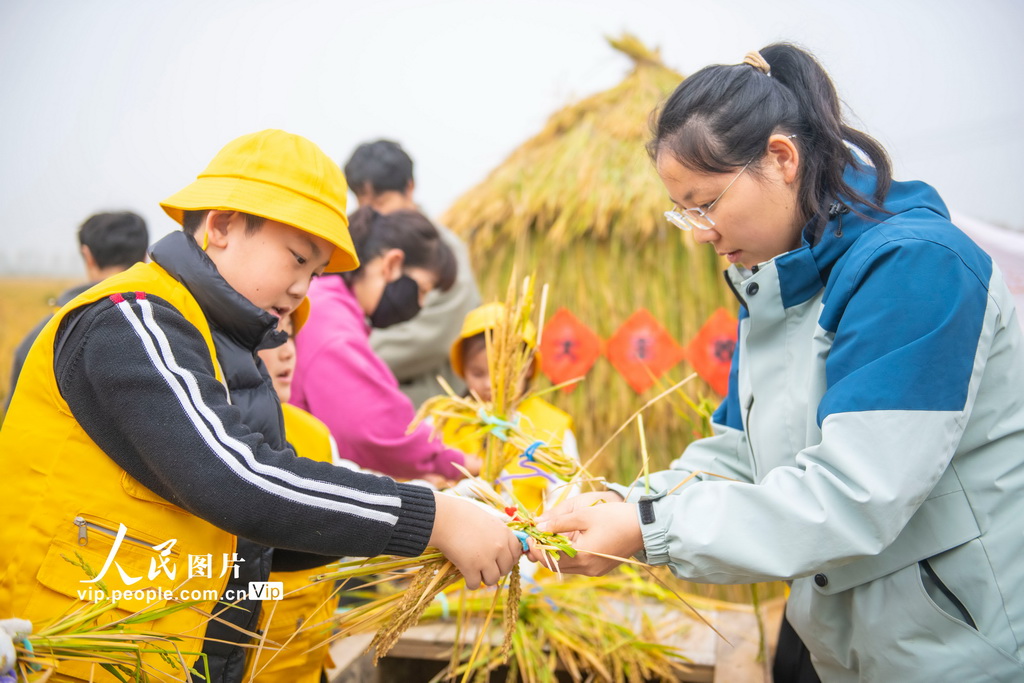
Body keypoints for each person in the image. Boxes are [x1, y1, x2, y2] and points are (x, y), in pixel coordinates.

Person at [527, 45, 1024, 681]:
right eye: (684, 212)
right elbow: (736, 459)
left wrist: (647, 529)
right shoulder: (774, 289)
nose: (700, 231)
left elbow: (854, 494)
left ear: (782, 159)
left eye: (705, 203)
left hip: (954, 651)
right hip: (844, 643)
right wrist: (623, 503)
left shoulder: (916, 269)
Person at [0, 129, 522, 683]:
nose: (302, 289)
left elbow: (258, 541)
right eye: (296, 259)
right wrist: (431, 517)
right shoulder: (132, 321)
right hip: (77, 657)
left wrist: (423, 531)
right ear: (222, 225)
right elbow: (237, 481)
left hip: (170, 655)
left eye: (315, 273)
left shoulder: (232, 349)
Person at [290, 206, 482, 482]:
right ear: (391, 264)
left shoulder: (328, 305)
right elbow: (373, 429)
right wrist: (457, 462)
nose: (421, 304)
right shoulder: (332, 325)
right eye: (423, 289)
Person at [345, 139, 481, 407]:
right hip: (360, 396)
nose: (373, 212)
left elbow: (434, 336)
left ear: (409, 188)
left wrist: (344, 355)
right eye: (363, 203)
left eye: (382, 201)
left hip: (424, 407)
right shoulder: (358, 245)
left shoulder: (442, 252)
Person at [248, 310, 340, 683]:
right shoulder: (213, 442)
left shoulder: (316, 434)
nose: (288, 352)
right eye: (273, 338)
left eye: (291, 337)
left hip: (309, 657)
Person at [5, 210, 148, 412]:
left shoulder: (40, 338)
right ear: (144, 256)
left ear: (87, 254)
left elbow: (16, 418)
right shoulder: (172, 325)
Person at [445, 302, 579, 514]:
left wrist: (544, 531)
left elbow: (567, 492)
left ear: (526, 367)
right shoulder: (443, 420)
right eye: (478, 373)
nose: (490, 384)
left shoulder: (552, 426)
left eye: (502, 372)